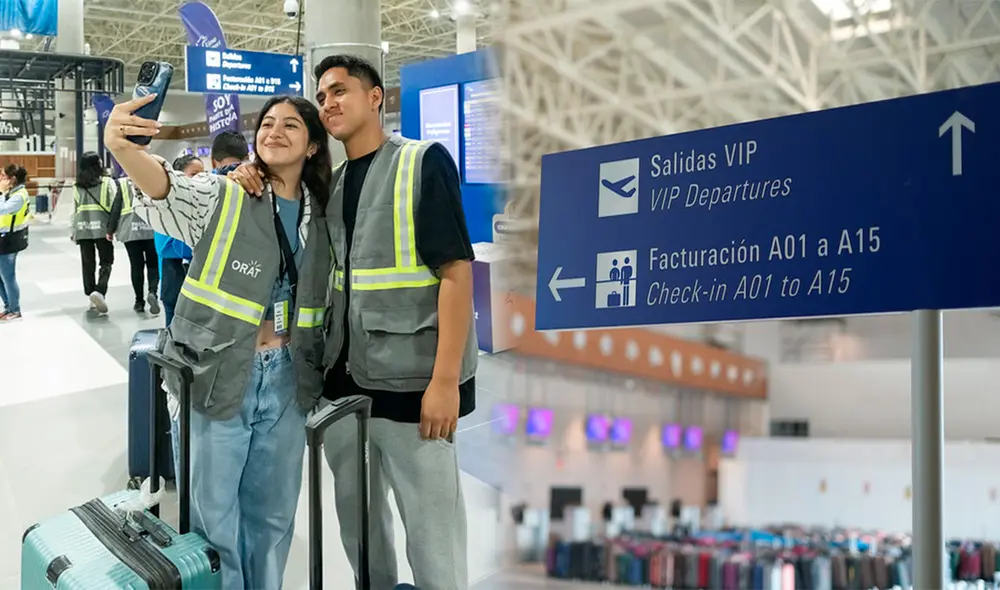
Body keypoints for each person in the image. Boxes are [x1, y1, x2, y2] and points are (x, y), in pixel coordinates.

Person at [231, 53, 478, 590]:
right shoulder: (333, 184)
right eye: (322, 96)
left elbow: (457, 274)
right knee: (360, 531)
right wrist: (249, 169)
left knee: (432, 534)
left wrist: (444, 382)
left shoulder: (421, 163)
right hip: (344, 389)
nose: (328, 103)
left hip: (414, 387)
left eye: (340, 90)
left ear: (375, 97)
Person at [105, 92, 332, 590]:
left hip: (288, 380)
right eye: (267, 123)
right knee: (213, 519)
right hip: (216, 376)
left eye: (290, 125)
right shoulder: (225, 193)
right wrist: (123, 149)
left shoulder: (324, 211)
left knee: (274, 515)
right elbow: (167, 190)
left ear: (313, 146)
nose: (274, 131)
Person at [154, 155, 201, 326]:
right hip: (174, 278)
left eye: (204, 174)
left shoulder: (201, 203)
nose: (201, 179)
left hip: (198, 283)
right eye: (194, 174)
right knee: (173, 326)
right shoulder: (166, 202)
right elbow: (165, 247)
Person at [107, 175, 161, 314]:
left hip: (130, 230)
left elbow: (116, 207)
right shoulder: (153, 178)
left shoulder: (123, 183)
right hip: (152, 228)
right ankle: (153, 292)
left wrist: (110, 230)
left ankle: (139, 301)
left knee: (136, 266)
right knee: (153, 264)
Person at [72, 152, 115, 313]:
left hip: (83, 227)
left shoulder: (76, 185)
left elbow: (75, 209)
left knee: (87, 263)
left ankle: (90, 294)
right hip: (103, 228)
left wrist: (73, 230)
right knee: (106, 261)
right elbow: (113, 205)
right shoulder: (107, 182)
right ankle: (100, 291)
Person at [0, 164, 29, 321]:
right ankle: (8, 306)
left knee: (8, 276)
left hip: (10, 240)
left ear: (12, 179)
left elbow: (2, 209)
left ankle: (15, 310)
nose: (0, 179)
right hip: (2, 238)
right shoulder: (10, 192)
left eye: (3, 176)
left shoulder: (19, 196)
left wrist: (0, 192)